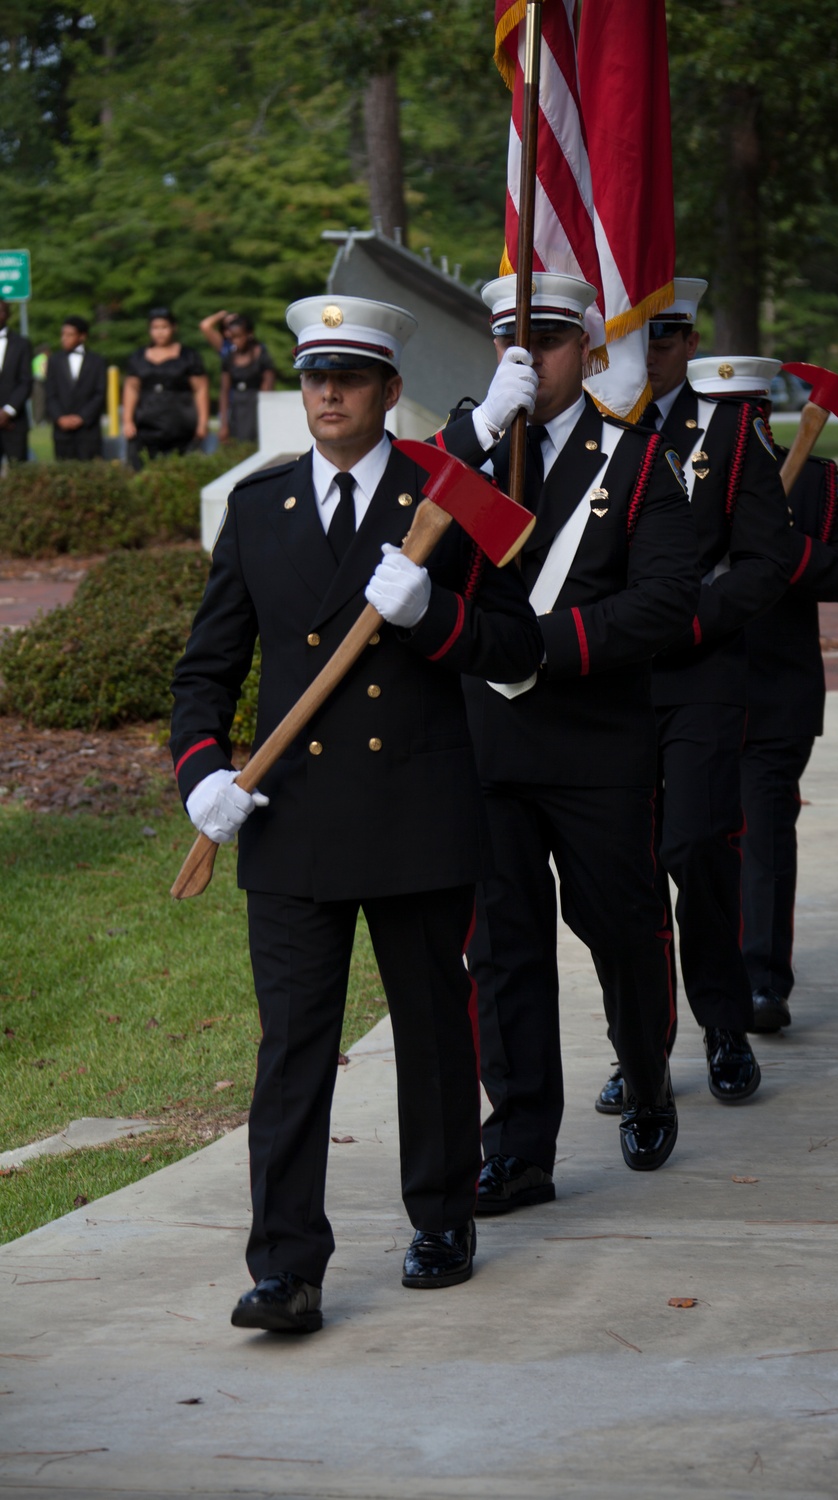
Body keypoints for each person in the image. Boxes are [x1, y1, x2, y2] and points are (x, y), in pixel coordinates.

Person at [170, 294, 543, 1332]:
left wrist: (434, 617)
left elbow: (515, 651)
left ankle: (441, 1219)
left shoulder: (448, 499)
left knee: (431, 1033)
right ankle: (286, 1267)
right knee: (291, 1046)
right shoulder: (260, 506)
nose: (327, 392)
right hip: (293, 823)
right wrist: (202, 770)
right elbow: (205, 672)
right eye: (312, 375)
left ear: (389, 391)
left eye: (349, 376)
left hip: (416, 810)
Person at [437, 272, 701, 1211]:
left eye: (547, 338)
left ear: (587, 349)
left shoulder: (634, 460)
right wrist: (470, 438)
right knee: (501, 953)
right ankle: (518, 1147)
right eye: (511, 336)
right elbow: (403, 531)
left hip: (595, 747)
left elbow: (664, 605)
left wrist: (529, 646)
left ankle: (645, 1070)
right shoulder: (462, 455)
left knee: (622, 929)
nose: (529, 355)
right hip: (487, 747)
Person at [595, 287, 793, 1114]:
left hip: (699, 673)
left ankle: (723, 1024)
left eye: (670, 335)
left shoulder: (727, 432)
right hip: (609, 680)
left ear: (691, 340)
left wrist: (688, 618)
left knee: (696, 847)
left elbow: (764, 560)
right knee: (623, 877)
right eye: (641, 335)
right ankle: (640, 1047)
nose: (658, 351)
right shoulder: (592, 432)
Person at [738, 397, 838, 1032]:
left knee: (763, 837)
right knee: (682, 847)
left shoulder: (813, 480)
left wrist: (787, 551)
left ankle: (762, 983)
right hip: (678, 693)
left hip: (774, 695)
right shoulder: (665, 470)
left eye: (750, 416)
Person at [123, 307, 209, 467]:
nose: (160, 332)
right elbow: (131, 388)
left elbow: (200, 389)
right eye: (155, 328)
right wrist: (127, 420)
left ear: (173, 328)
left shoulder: (188, 356)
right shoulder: (138, 357)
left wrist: (203, 422)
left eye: (164, 327)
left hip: (181, 427)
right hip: (146, 427)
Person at [45, 317, 107, 462]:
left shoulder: (97, 361)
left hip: (88, 430)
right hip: (62, 431)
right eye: (62, 334)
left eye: (69, 335)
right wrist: (60, 417)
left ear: (82, 336)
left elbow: (100, 393)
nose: (64, 338)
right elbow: (50, 393)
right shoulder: (54, 361)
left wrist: (82, 417)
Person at [219, 316, 275, 444]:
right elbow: (224, 391)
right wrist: (223, 424)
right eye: (232, 338)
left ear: (249, 334)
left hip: (255, 405)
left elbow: (268, 386)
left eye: (239, 336)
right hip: (237, 407)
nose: (235, 341)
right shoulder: (229, 358)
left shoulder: (261, 356)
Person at [0, 299, 33, 467]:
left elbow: (26, 381)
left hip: (14, 422)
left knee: (18, 474)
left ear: (7, 315)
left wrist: (8, 411)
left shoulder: (22, 344)